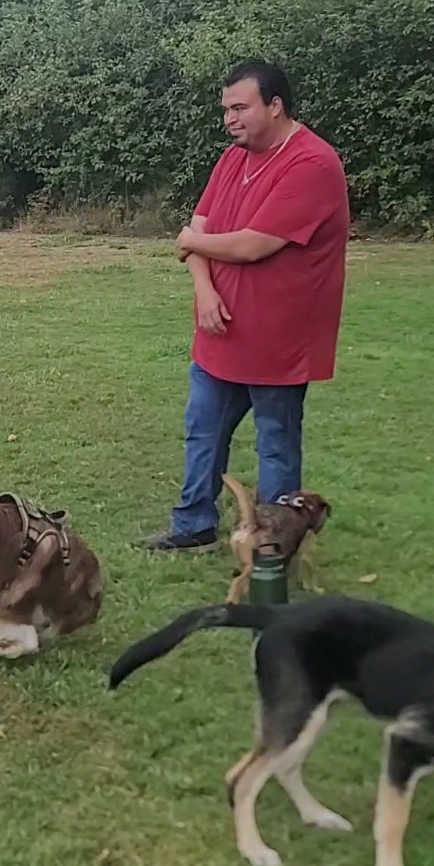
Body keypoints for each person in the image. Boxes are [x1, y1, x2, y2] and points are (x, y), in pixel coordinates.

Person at [139, 61, 349, 551]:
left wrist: (191, 241)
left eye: (240, 108)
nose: (230, 119)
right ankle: (193, 525)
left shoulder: (312, 164)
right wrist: (205, 290)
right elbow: (200, 227)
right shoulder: (234, 158)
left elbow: (254, 245)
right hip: (219, 330)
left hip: (278, 338)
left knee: (275, 444)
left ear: (275, 106)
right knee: (202, 432)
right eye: (226, 109)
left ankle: (271, 544)